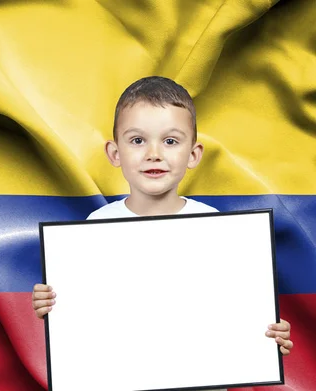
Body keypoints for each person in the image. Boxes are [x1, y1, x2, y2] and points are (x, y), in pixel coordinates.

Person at [32, 76, 294, 360]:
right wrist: (52, 304)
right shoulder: (95, 227)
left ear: (193, 155)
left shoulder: (215, 226)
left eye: (170, 141)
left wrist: (267, 332)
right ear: (115, 153)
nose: (154, 154)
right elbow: (86, 312)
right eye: (137, 140)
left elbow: (237, 307)